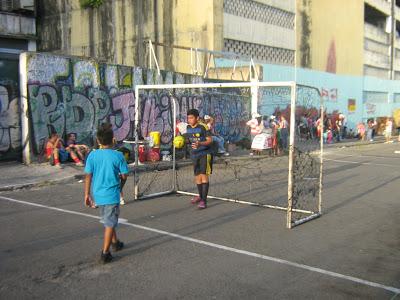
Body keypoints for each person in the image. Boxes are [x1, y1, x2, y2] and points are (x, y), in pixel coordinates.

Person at [84, 123, 129, 264]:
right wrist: (120, 186)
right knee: (109, 223)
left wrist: (87, 194)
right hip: (111, 194)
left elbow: (88, 176)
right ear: (113, 140)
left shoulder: (92, 155)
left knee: (108, 219)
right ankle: (105, 253)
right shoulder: (118, 156)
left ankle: (115, 243)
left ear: (98, 140)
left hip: (98, 194)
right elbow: (124, 175)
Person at [185, 109, 213, 209]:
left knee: (203, 176)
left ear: (197, 118)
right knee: (197, 176)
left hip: (205, 154)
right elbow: (189, 139)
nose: (189, 120)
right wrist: (182, 140)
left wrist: (200, 143)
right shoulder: (188, 127)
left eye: (191, 118)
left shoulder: (203, 127)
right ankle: (200, 196)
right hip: (194, 155)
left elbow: (210, 140)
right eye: (188, 118)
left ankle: (203, 201)